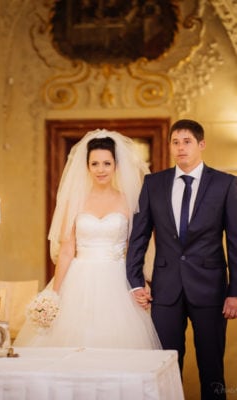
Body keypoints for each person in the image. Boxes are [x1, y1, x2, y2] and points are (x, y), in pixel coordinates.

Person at [14, 129, 161, 349]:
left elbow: (135, 248)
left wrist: (138, 283)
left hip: (118, 280)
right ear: (87, 166)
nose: (100, 170)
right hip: (78, 278)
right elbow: (66, 249)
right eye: (95, 164)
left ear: (116, 166)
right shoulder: (75, 201)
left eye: (106, 163)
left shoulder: (128, 201)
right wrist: (54, 294)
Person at [126, 119, 237, 400]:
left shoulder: (226, 184)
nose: (180, 148)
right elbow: (138, 237)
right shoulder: (153, 184)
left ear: (201, 145)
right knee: (164, 367)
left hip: (210, 289)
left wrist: (234, 292)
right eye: (175, 142)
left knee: (212, 368)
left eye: (186, 141)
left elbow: (235, 242)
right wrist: (135, 282)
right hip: (165, 291)